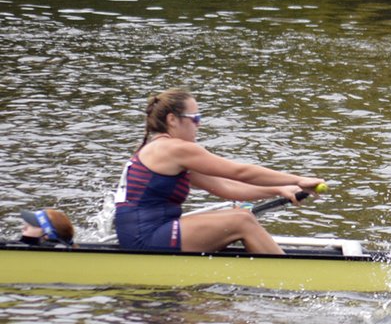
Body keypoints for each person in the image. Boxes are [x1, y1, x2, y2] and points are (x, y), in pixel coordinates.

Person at [113, 88, 325, 254]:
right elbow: (240, 172)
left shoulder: (161, 151)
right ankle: (290, 280)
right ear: (172, 120)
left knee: (240, 216)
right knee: (242, 220)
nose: (199, 125)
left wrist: (279, 189)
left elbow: (225, 187)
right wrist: (299, 179)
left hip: (146, 233)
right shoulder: (173, 148)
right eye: (195, 118)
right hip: (147, 237)